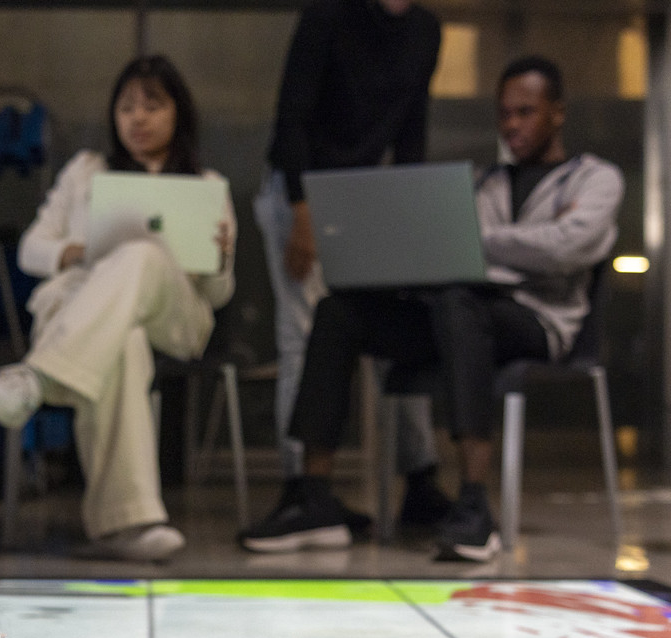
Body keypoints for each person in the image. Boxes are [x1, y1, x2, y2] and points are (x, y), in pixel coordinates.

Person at [239, 55, 622, 561]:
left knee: (460, 301)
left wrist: (483, 242)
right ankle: (313, 496)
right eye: (505, 113)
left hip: (540, 322)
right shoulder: (487, 183)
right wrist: (512, 245)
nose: (512, 124)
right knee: (340, 312)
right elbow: (469, 251)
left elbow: (567, 248)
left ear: (557, 113)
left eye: (525, 112)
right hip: (461, 310)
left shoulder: (594, 179)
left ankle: (472, 504)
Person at [0, 56, 235, 563]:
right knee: (123, 343)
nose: (138, 118)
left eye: (152, 105)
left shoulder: (206, 185)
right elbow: (31, 249)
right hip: (86, 305)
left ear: (179, 113)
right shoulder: (85, 171)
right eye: (126, 106)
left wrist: (219, 260)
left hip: (175, 313)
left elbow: (218, 296)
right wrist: (81, 251)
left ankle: (35, 380)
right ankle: (127, 525)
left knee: (142, 254)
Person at [255, 0, 448, 532]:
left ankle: (420, 477)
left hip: (369, 196)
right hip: (299, 189)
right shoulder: (327, 18)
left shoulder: (426, 32)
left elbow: (412, 127)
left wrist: (414, 210)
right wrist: (303, 214)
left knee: (393, 325)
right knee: (305, 334)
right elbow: (291, 121)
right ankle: (302, 485)